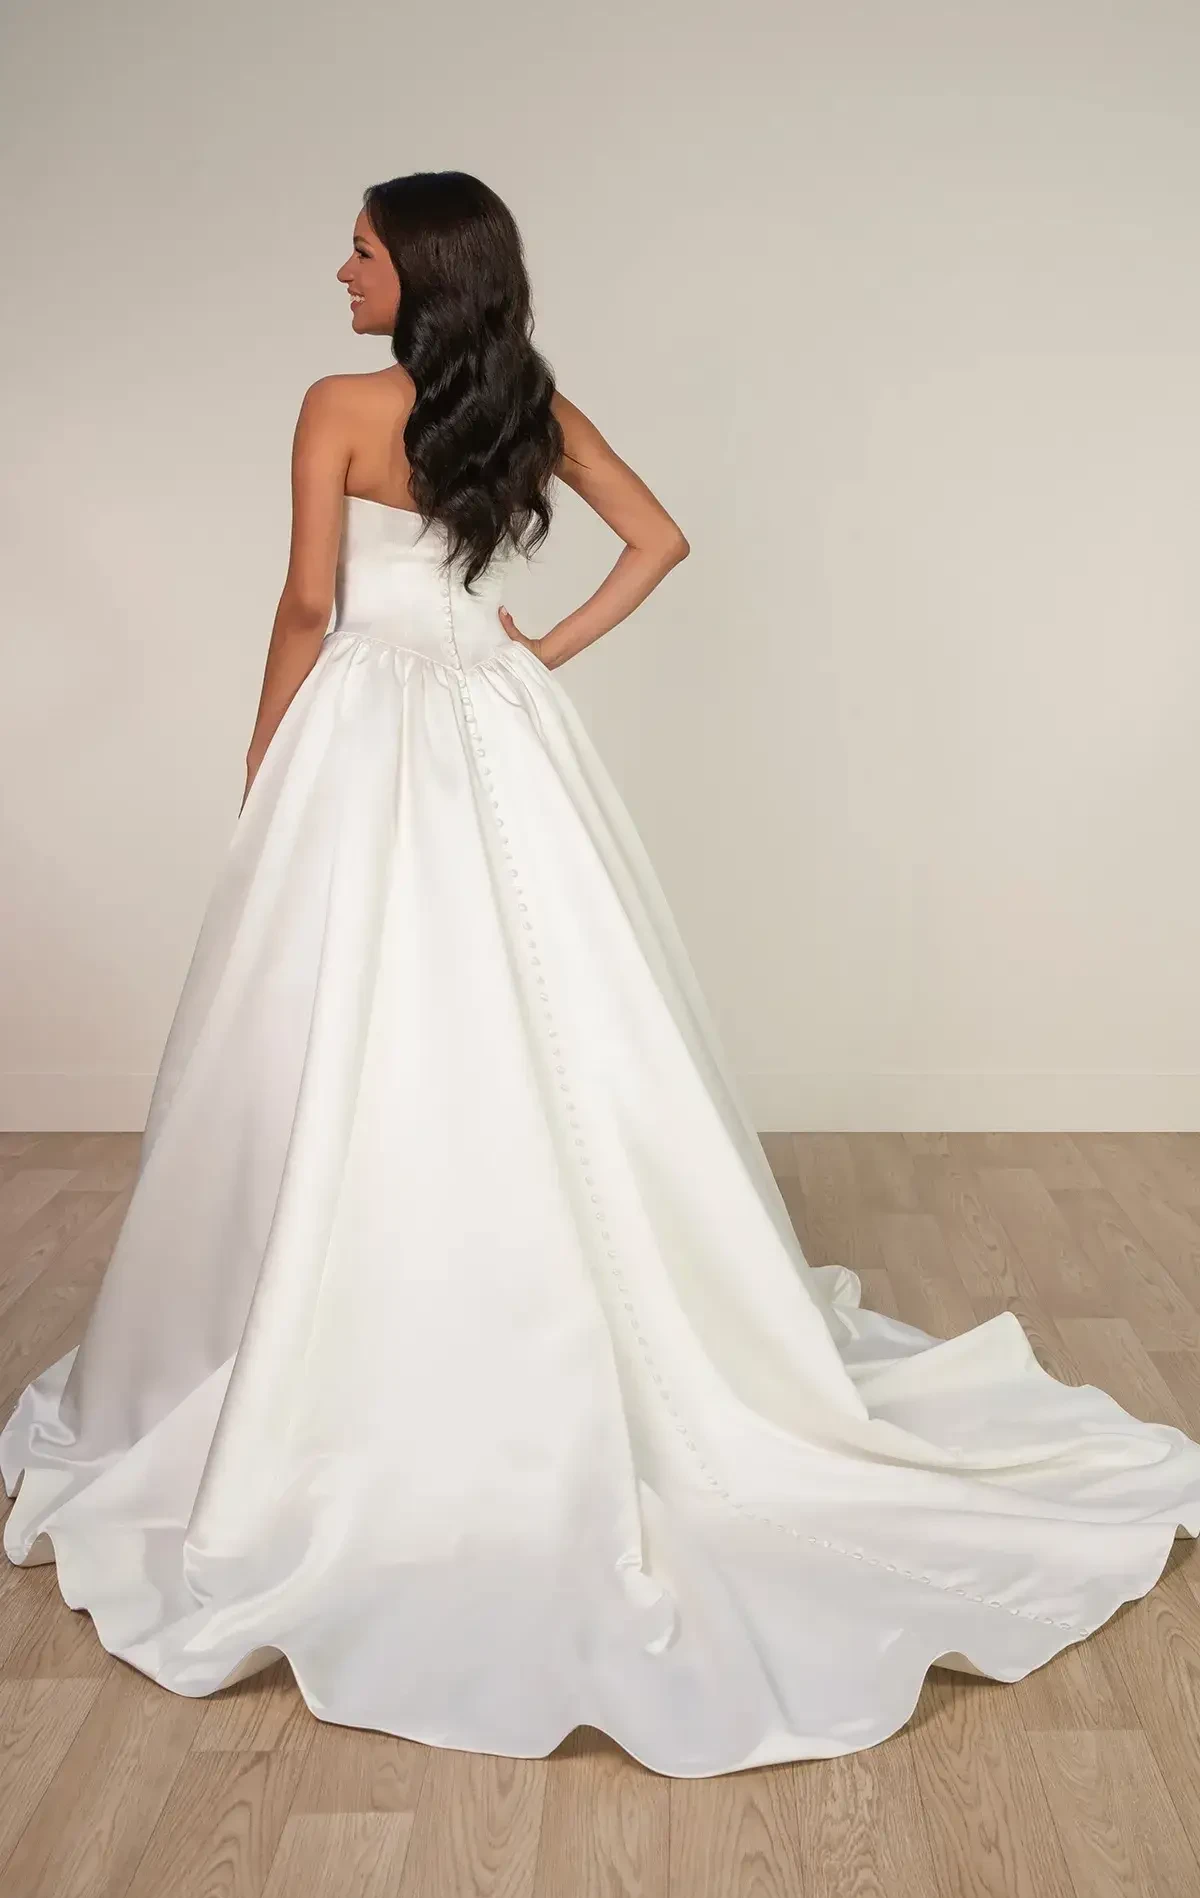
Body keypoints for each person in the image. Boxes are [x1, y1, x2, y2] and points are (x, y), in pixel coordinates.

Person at [2, 171, 1198, 1781]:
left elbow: (304, 600)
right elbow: (663, 537)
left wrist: (261, 751)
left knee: (348, 1025)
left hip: (362, 729)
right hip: (495, 733)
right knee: (541, 1025)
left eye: (357, 244)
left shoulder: (336, 405)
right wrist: (530, 657)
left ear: (418, 265)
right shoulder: (524, 406)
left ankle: (350, 1315)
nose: (336, 268)